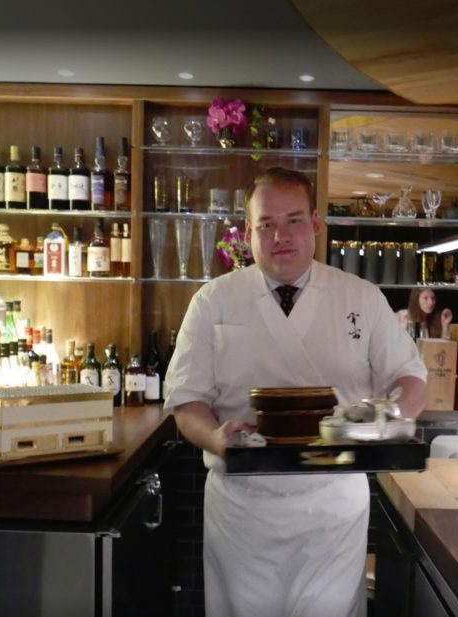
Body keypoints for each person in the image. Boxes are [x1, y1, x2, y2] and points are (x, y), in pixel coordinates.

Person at [164, 167, 428, 617]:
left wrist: (391, 418)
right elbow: (186, 401)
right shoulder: (213, 301)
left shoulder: (360, 297)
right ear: (248, 232)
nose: (279, 235)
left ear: (316, 223)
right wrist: (214, 438)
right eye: (265, 224)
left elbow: (410, 377)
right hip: (243, 509)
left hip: (332, 506)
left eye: (293, 220)